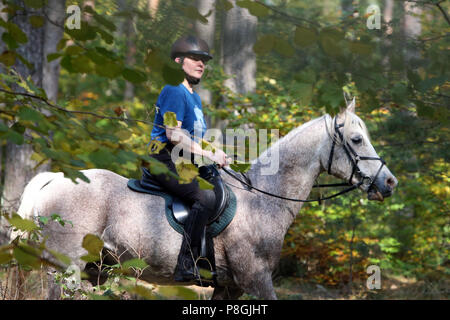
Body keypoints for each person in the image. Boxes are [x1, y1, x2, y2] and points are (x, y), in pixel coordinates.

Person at [147, 35, 229, 282]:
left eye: (203, 60)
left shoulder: (194, 97)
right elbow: (173, 134)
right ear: (178, 61)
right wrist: (208, 153)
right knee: (204, 197)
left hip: (183, 160)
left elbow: (193, 139)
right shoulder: (173, 89)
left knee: (222, 188)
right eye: (195, 58)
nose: (201, 63)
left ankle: (210, 263)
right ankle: (186, 264)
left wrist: (218, 155)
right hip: (163, 158)